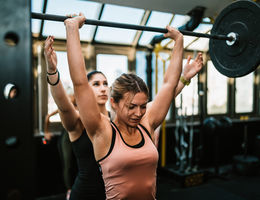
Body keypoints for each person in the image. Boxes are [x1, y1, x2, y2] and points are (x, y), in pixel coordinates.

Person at [64, 13, 203, 199]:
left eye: (143, 106)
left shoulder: (147, 123)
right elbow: (80, 82)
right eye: (131, 107)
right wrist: (72, 30)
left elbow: (169, 85)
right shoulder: (102, 131)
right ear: (114, 103)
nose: (138, 113)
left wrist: (179, 41)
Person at [44, 35, 110, 200]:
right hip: (84, 194)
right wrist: (52, 71)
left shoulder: (116, 118)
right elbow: (63, 104)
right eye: (96, 84)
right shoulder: (79, 121)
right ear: (86, 90)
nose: (103, 88)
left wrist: (183, 80)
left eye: (105, 83)